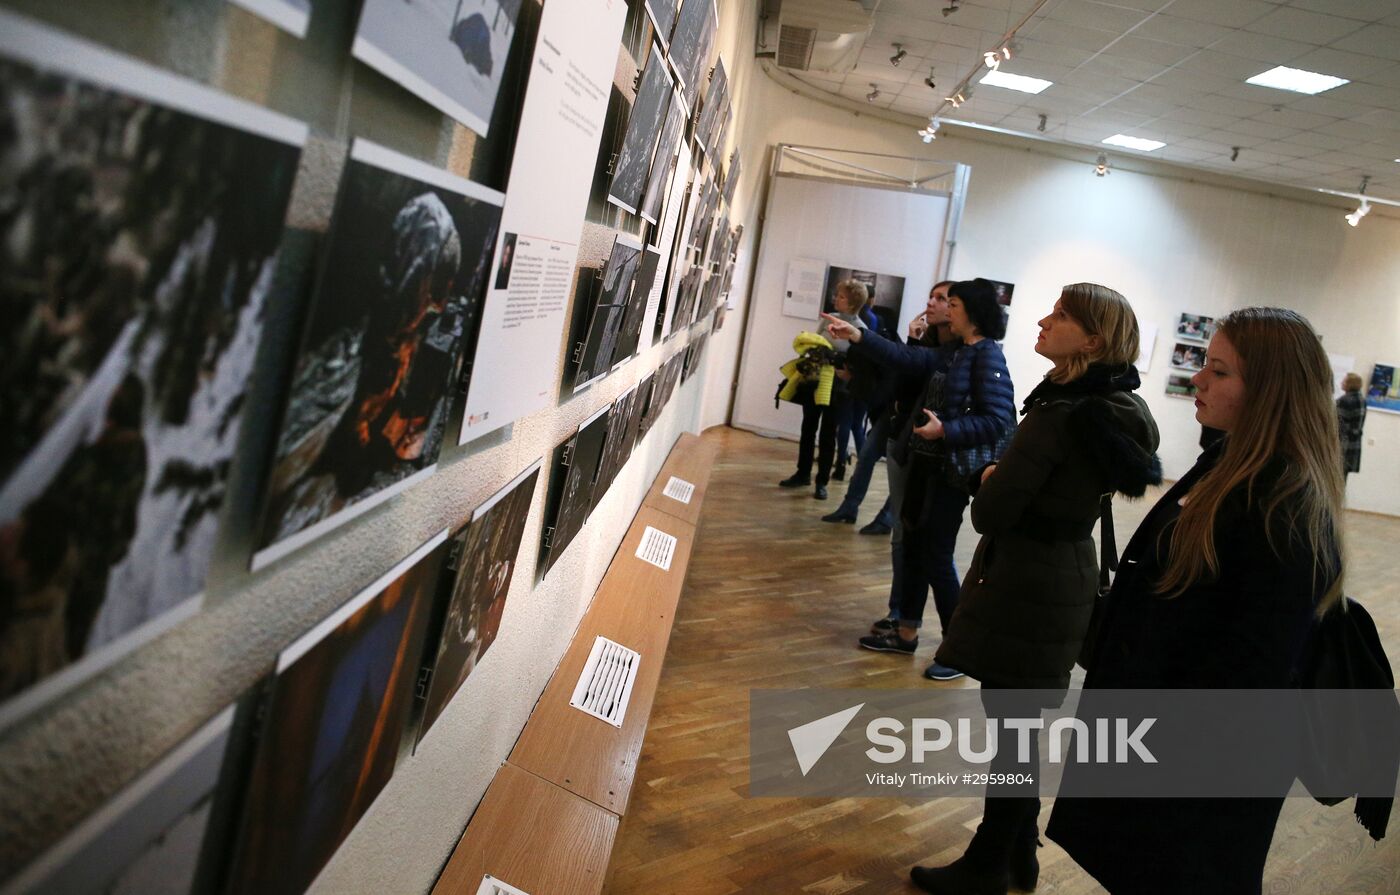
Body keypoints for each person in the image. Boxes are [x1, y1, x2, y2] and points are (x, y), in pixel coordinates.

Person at [1047, 307, 1346, 895]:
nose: (1199, 381)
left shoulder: (1281, 504)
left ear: (1269, 392)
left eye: (1220, 371)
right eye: (1204, 364)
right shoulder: (1230, 464)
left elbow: (1249, 670)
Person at [906, 284, 1162, 894]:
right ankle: (1018, 855)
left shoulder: (1063, 415)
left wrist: (991, 474)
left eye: (1062, 315)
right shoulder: (1110, 407)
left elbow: (994, 511)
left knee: (1013, 734)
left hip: (1029, 581)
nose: (1044, 321)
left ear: (1093, 340)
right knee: (1019, 727)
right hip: (1059, 576)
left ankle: (989, 862)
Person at [834, 279, 1015, 680]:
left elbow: (998, 420)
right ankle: (906, 633)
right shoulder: (956, 351)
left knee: (936, 558)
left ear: (972, 310)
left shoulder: (987, 356)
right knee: (915, 551)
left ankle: (956, 651)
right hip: (925, 466)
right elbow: (907, 358)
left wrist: (946, 430)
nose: (945, 309)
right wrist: (860, 336)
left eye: (952, 303)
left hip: (948, 476)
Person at [778, 280, 867, 500]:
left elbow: (859, 360)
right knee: (808, 428)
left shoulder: (860, 329)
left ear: (855, 302)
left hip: (838, 389)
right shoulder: (827, 320)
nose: (836, 299)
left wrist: (841, 363)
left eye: (842, 296)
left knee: (828, 434)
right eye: (837, 295)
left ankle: (822, 482)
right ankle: (803, 473)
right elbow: (815, 343)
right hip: (815, 381)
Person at [1337, 371, 1366, 480]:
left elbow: (1337, 426)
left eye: (1344, 381)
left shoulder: (1344, 401)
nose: (1341, 382)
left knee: (1334, 479)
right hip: (1354, 445)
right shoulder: (1362, 400)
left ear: (1350, 384)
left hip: (1341, 445)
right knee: (1342, 479)